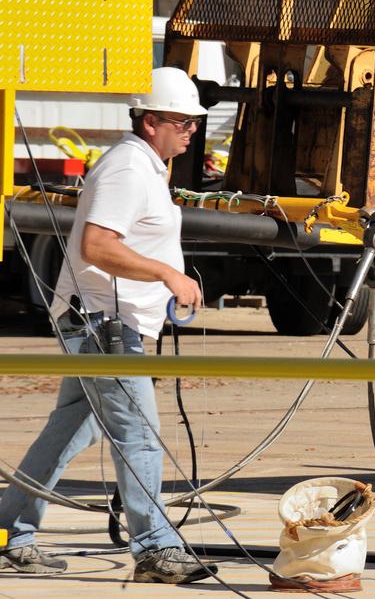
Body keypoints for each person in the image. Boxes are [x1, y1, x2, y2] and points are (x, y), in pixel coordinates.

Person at [0, 67, 217, 585]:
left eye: (192, 122)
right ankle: (156, 549)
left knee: (70, 429)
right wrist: (169, 274)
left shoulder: (147, 167)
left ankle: (8, 532)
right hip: (105, 324)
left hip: (104, 321)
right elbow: (98, 245)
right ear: (150, 122)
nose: (190, 130)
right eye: (182, 121)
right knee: (139, 435)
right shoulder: (128, 169)